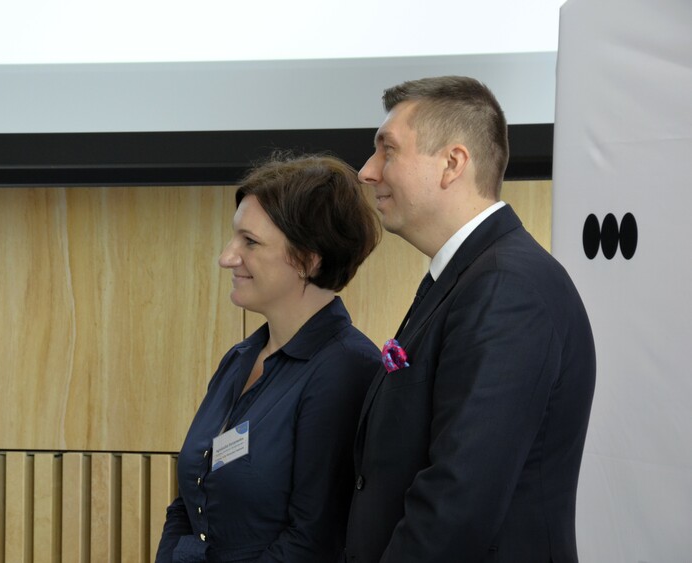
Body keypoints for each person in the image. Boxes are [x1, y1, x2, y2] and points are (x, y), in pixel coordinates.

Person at [344, 76, 596, 563]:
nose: (367, 171)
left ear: (453, 164)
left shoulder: (505, 287)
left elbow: (456, 503)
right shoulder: (469, 276)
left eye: (387, 151)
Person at [157, 153, 382, 563]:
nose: (227, 257)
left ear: (307, 260)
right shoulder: (240, 358)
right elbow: (189, 501)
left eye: (250, 242)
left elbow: (312, 541)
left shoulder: (345, 369)